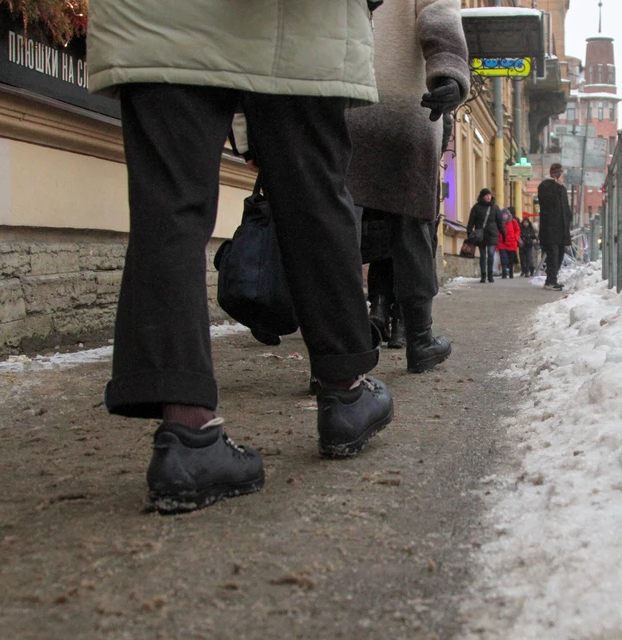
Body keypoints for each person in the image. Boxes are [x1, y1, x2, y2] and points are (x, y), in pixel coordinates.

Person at [87, 0, 394, 514]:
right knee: (314, 194)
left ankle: (188, 434)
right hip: (296, 25)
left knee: (169, 204)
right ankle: (345, 390)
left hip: (158, 16)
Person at [347, 1, 468, 373]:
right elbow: (438, 15)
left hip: (342, 101)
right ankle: (419, 338)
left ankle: (341, 355)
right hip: (408, 109)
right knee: (413, 227)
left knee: (338, 228)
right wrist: (449, 74)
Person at [537, 163, 573, 290]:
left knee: (560, 255)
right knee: (553, 255)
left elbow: (564, 207)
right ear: (554, 174)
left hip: (561, 229)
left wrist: (569, 217)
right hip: (550, 229)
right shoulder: (545, 186)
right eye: (560, 173)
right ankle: (550, 281)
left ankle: (552, 279)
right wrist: (557, 186)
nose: (562, 176)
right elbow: (547, 204)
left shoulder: (562, 188)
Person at [467, 189, 506, 283]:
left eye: (490, 195)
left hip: (492, 234)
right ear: (482, 196)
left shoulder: (495, 207)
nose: (489, 197)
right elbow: (471, 221)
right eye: (486, 195)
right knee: (483, 255)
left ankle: (490, 274)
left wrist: (504, 233)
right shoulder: (476, 207)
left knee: (491, 254)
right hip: (481, 235)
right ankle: (483, 275)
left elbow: (500, 222)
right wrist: (469, 233)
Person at [496, 208, 520, 279]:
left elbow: (517, 230)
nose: (504, 216)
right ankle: (504, 273)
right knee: (503, 259)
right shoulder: (499, 222)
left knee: (511, 259)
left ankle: (511, 273)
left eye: (505, 214)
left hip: (512, 243)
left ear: (508, 215)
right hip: (502, 243)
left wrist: (515, 237)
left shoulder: (513, 221)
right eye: (503, 214)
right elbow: (497, 233)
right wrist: (497, 245)